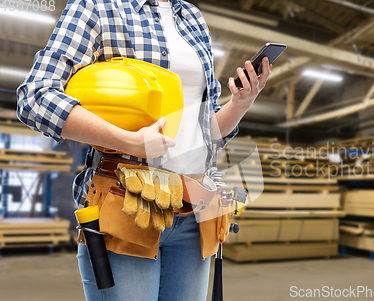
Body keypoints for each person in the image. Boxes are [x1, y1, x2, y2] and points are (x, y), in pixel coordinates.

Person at [16, 0, 272, 300]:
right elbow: (35, 97)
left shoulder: (191, 16)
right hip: (127, 205)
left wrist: (240, 105)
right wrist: (128, 142)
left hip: (192, 207)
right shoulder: (97, 6)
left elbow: (206, 132)